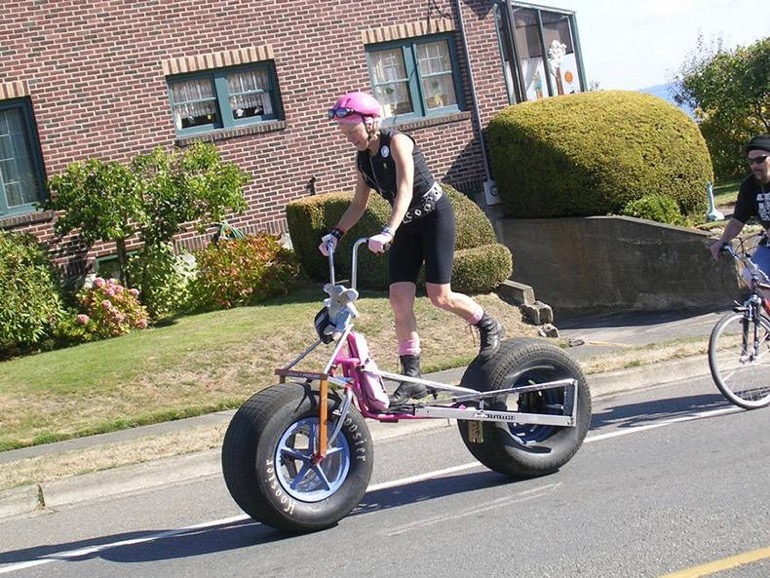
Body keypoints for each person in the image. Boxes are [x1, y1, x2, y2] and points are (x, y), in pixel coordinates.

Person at [319, 91, 504, 405]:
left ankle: (488, 324)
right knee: (399, 300)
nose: (349, 138)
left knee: (439, 296)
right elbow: (358, 204)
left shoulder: (398, 142)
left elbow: (405, 188)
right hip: (405, 225)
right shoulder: (363, 160)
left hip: (434, 217)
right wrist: (335, 234)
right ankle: (412, 378)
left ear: (371, 122)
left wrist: (388, 230)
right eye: (345, 133)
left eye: (352, 131)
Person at [709, 135, 770, 281]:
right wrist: (722, 241)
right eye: (751, 161)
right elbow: (737, 220)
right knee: (752, 277)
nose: (755, 165)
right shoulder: (749, 186)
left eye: (760, 159)